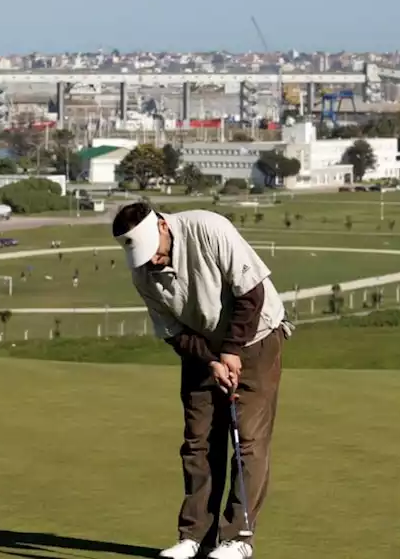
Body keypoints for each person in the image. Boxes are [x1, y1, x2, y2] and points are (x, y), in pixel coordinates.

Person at [112, 202, 291, 559]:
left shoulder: (209, 228)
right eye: (144, 258)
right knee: (198, 442)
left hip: (256, 338)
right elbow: (173, 332)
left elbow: (251, 295)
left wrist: (231, 351)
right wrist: (211, 360)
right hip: (202, 350)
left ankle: (237, 537)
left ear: (163, 226)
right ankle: (195, 535)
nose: (152, 262)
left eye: (155, 253)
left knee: (248, 442)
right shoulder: (143, 274)